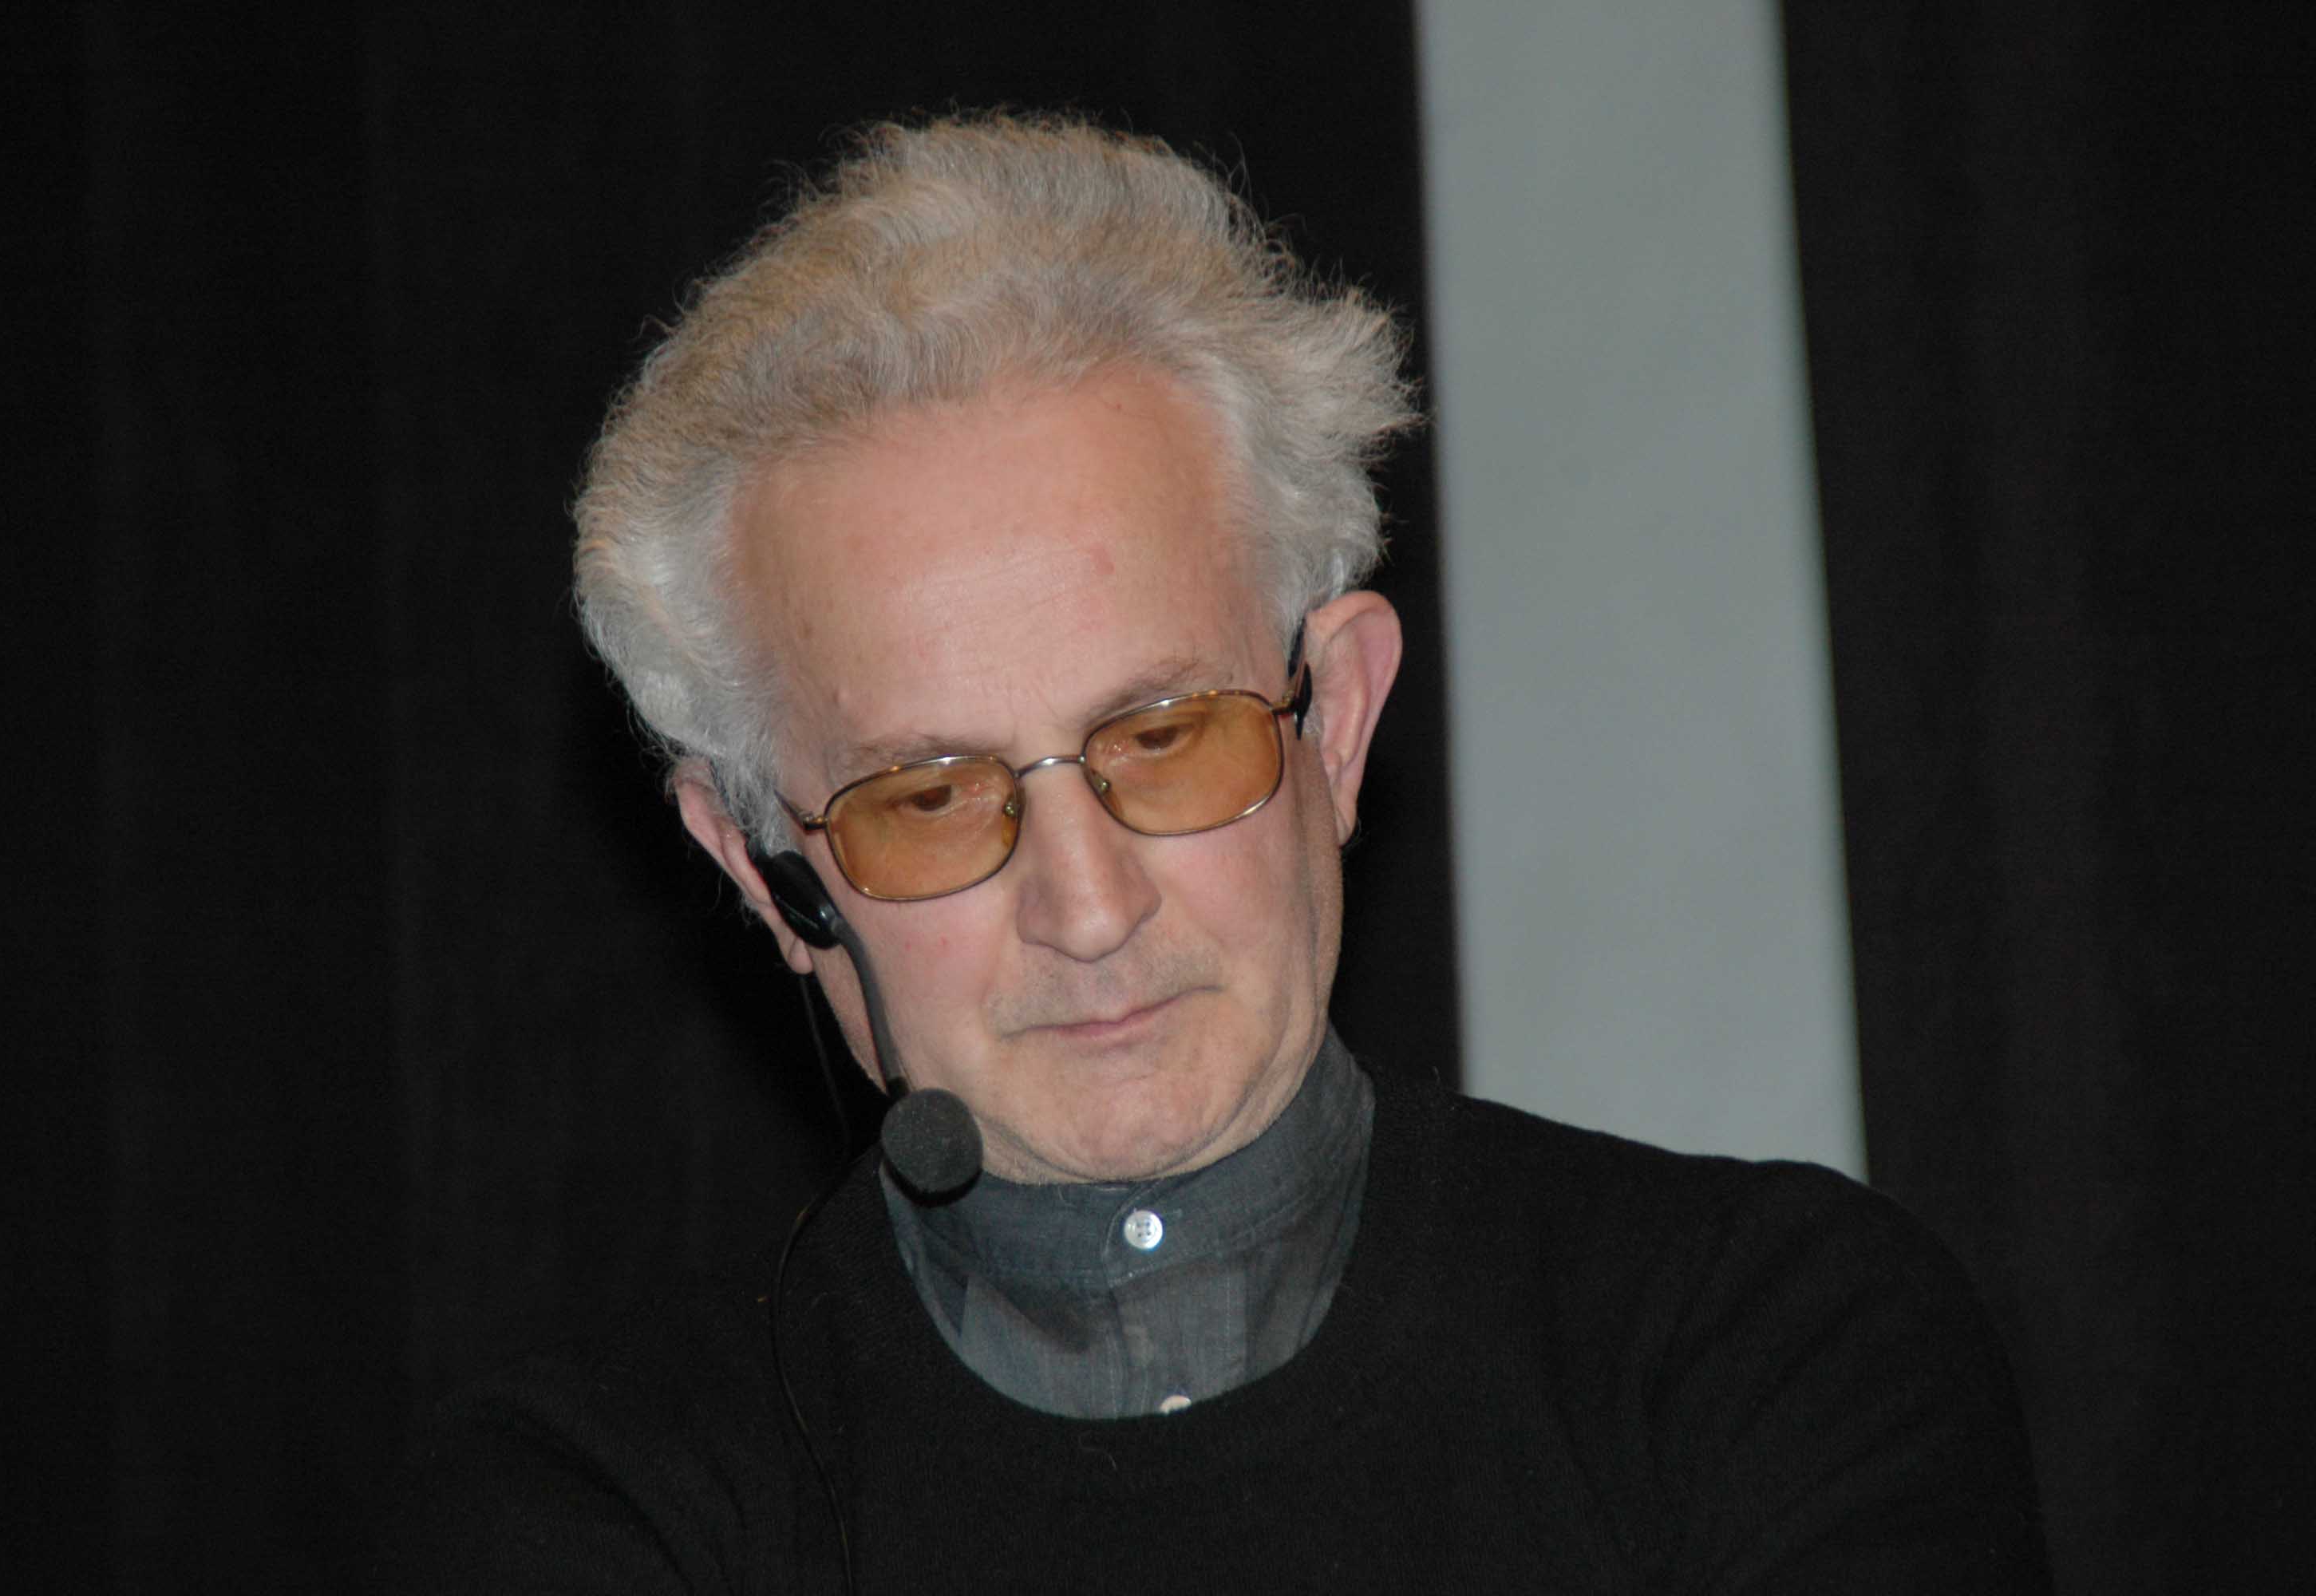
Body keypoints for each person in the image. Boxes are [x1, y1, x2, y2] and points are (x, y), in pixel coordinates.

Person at [383, 114, 2049, 1591]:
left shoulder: (1768, 1356)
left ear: (1338, 726)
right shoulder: (595, 1508)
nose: (1089, 908)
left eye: (1167, 737)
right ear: (766, 873)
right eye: (932, 798)